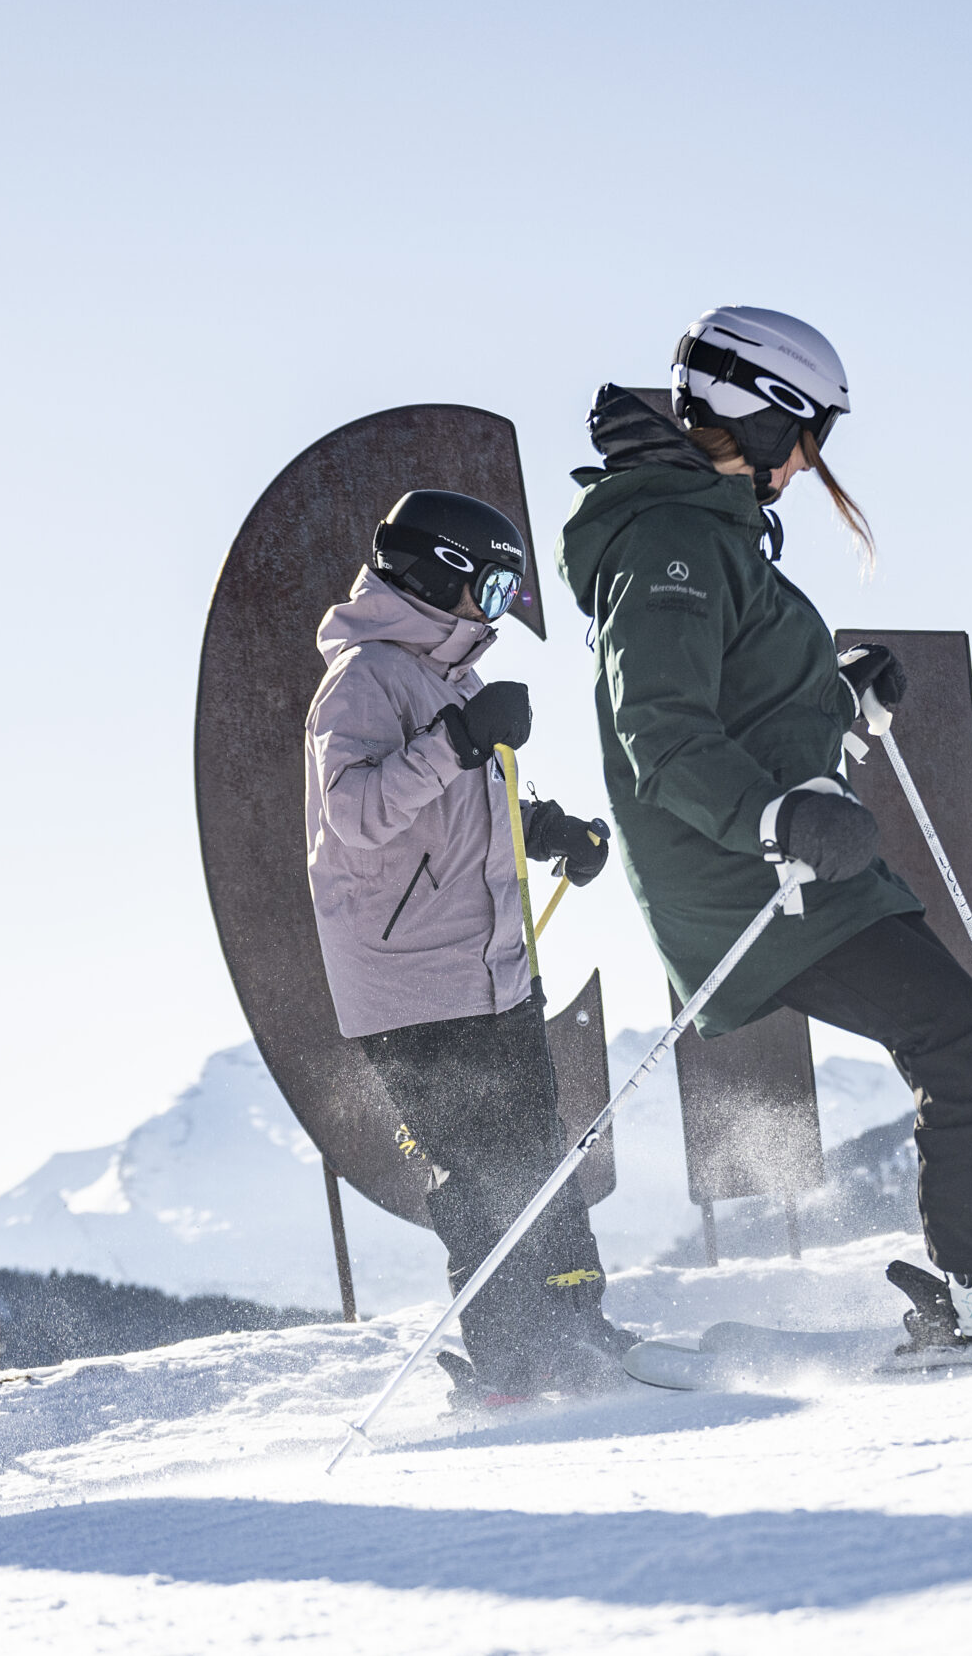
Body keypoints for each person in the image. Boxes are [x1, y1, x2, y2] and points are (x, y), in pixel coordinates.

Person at [557, 306, 972, 1342]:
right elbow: (659, 733)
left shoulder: (710, 532)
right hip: (750, 877)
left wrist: (838, 696)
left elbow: (744, 694)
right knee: (952, 1035)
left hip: (806, 865)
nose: (809, 461)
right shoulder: (667, 538)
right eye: (805, 433)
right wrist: (772, 811)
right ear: (758, 413)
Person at [303, 489, 630, 1403]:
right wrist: (454, 742)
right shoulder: (363, 678)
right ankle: (511, 1359)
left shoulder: (453, 679)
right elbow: (356, 816)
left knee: (537, 1149)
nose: (496, 608)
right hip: (410, 983)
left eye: (507, 590)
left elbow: (456, 816)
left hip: (489, 968)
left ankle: (575, 1321)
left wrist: (550, 827)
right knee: (480, 1171)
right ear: (435, 572)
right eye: (488, 585)